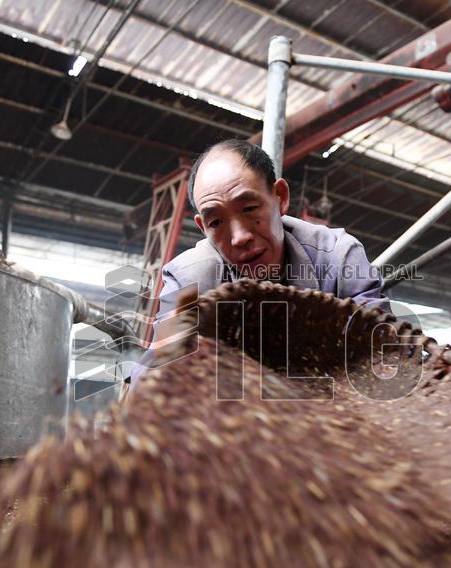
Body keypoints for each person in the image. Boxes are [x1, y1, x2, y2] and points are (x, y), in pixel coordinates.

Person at [129, 138, 388, 386]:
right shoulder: (189, 280)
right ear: (202, 227)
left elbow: (382, 351)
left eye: (250, 208)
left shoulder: (338, 258)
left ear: (280, 197)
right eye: (216, 222)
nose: (240, 237)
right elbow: (152, 376)